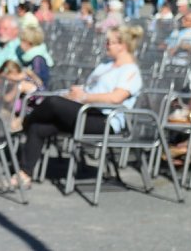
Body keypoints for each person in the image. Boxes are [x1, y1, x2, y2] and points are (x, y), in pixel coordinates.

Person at [15, 25, 144, 187]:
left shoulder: (130, 71)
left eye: (109, 43)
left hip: (105, 120)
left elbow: (116, 97)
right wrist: (75, 93)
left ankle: (22, 122)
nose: (106, 46)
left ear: (122, 46)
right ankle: (25, 173)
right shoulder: (106, 64)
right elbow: (91, 87)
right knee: (39, 127)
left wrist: (84, 97)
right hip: (85, 112)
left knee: (53, 102)